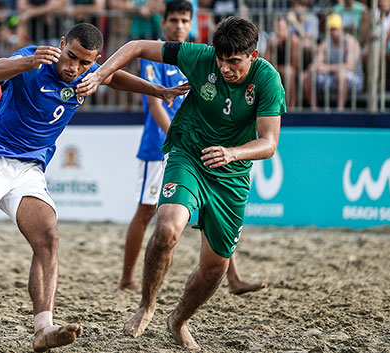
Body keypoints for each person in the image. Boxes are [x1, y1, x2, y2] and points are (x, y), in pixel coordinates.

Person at [0, 23, 189, 352]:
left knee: (48, 237)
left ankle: (43, 328)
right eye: (70, 57)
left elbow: (113, 76)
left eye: (85, 63)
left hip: (29, 168)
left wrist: (158, 91)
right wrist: (28, 62)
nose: (74, 68)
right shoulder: (34, 59)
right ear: (62, 43)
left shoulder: (88, 73)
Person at [77, 16, 285, 349]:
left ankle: (179, 320)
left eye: (234, 61)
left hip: (231, 174)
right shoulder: (200, 57)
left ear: (253, 56)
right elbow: (137, 46)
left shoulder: (267, 80)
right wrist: (101, 74)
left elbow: (270, 142)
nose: (226, 68)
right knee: (167, 227)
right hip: (190, 153)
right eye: (222, 60)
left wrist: (232, 154)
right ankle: (146, 305)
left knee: (215, 265)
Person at [118, 0, 265, 297]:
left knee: (212, 212)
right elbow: (156, 106)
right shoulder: (156, 56)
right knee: (146, 213)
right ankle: (126, 278)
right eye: (174, 20)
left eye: (185, 20)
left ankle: (233, 278)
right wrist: (180, 140)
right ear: (164, 23)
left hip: (195, 146)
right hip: (159, 146)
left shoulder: (207, 57)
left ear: (192, 23)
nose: (179, 26)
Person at [303, 13, 363, 111]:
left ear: (341, 28)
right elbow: (316, 64)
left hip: (354, 79)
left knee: (341, 74)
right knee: (306, 75)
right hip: (332, 78)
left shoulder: (351, 42)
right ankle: (315, 110)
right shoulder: (326, 43)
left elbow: (350, 66)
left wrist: (327, 68)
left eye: (335, 28)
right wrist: (316, 67)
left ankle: (339, 111)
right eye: (331, 29)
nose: (333, 32)